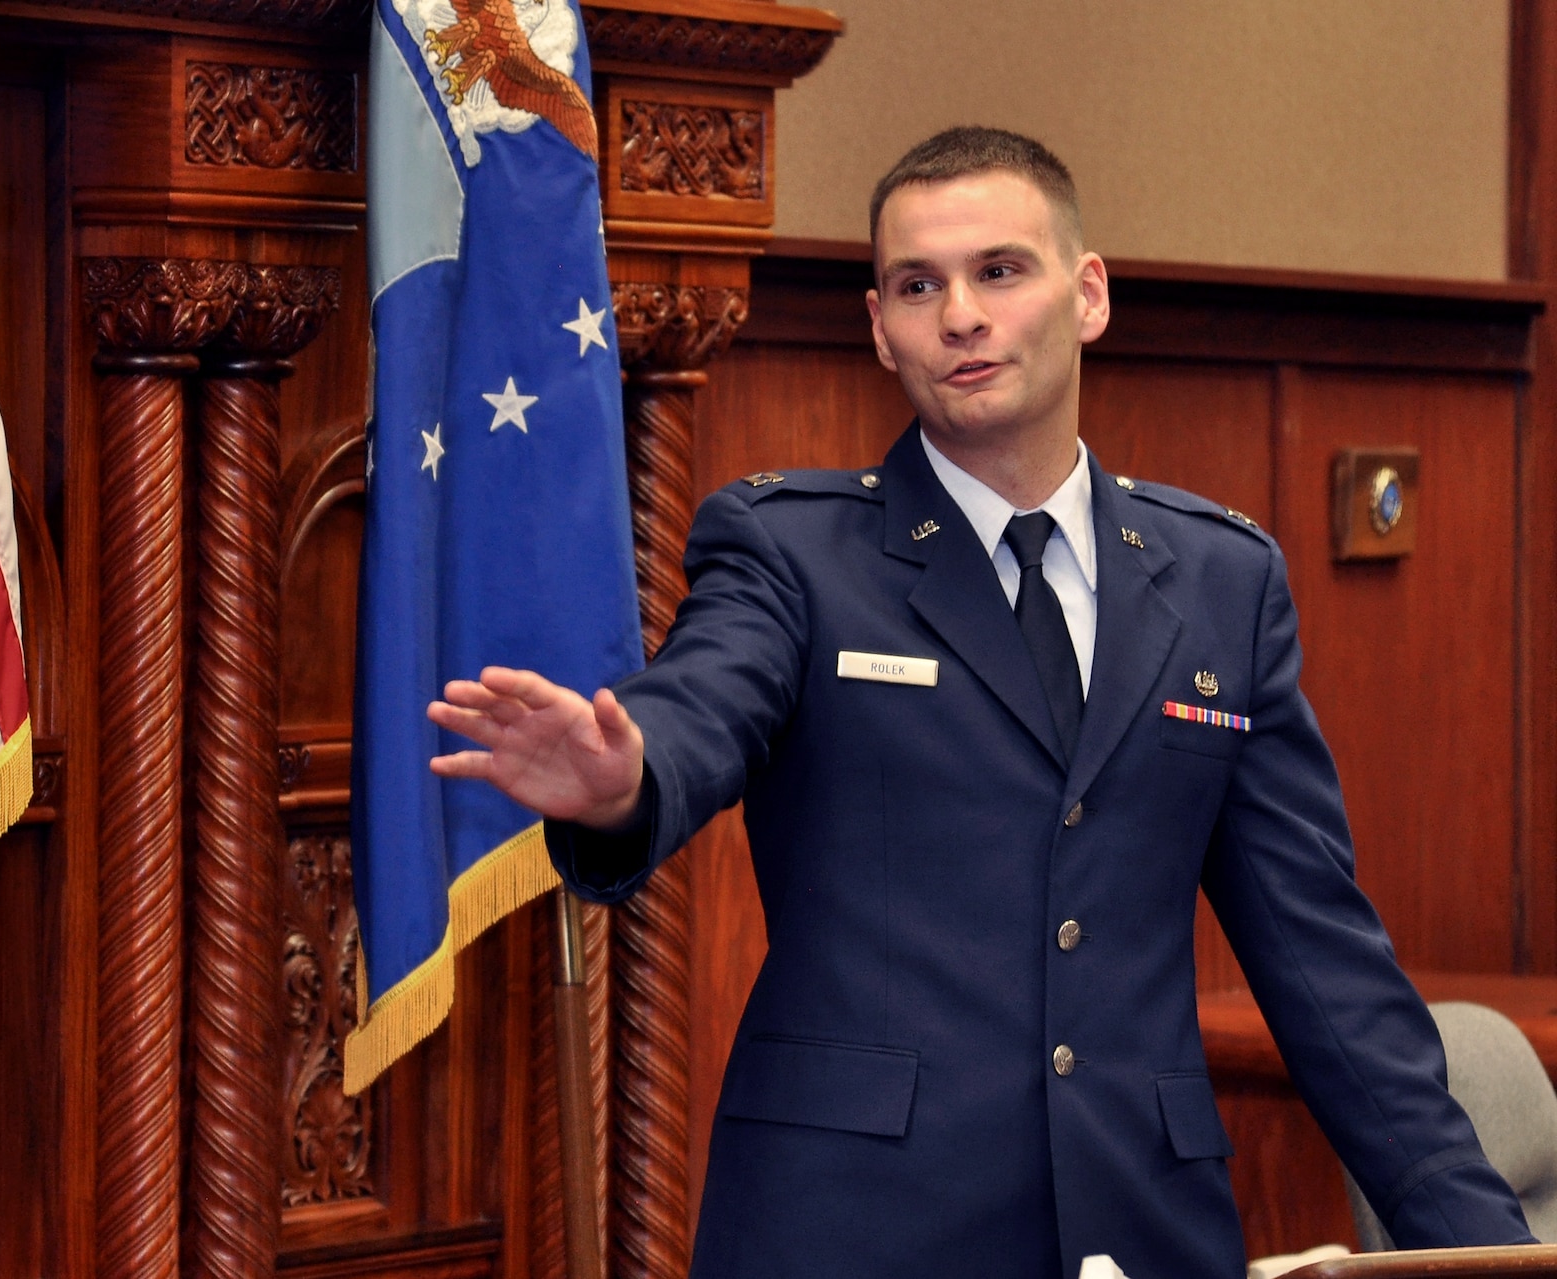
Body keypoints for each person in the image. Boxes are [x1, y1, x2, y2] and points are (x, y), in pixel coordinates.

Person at [427, 127, 1534, 1277]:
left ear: (1086, 294)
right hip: (855, 1226)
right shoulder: (792, 549)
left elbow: (1324, 966)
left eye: (997, 271)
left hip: (1138, 1227)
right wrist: (627, 777)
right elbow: (705, 698)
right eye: (918, 285)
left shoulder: (1221, 581)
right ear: (878, 328)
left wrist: (1487, 1255)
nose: (958, 314)